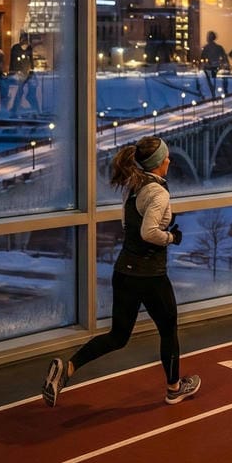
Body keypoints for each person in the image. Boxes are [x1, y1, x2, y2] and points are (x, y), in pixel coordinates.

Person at [42, 135, 201, 408]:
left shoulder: (134, 187)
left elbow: (130, 227)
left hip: (124, 271)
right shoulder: (159, 193)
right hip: (150, 275)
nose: (169, 160)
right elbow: (148, 231)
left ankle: (67, 369)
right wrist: (171, 238)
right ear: (158, 163)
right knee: (168, 329)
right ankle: (175, 388)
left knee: (118, 336)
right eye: (166, 158)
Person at [9, 32, 40, 116]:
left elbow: (31, 60)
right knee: (22, 92)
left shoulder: (28, 48)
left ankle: (16, 109)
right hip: (21, 73)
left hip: (26, 73)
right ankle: (16, 109)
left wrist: (31, 70)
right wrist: (12, 72)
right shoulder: (16, 48)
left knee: (25, 93)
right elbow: (12, 62)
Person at [199, 31, 229, 99]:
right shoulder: (219, 47)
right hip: (216, 70)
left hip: (211, 71)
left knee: (210, 87)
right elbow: (224, 59)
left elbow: (202, 60)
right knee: (217, 87)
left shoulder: (206, 48)